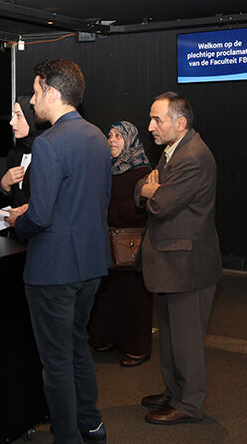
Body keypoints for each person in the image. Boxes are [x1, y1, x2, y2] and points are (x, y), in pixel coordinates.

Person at [4, 59, 112, 444]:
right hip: (92, 264)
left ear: (51, 91)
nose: (32, 102)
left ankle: (67, 437)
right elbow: (97, 201)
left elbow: (42, 215)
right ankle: (92, 426)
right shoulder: (98, 137)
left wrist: (19, 221)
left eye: (34, 92)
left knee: (57, 362)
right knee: (77, 347)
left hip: (54, 270)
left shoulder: (49, 144)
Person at [135, 91, 222, 425]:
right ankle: (174, 392)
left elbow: (160, 204)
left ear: (180, 122)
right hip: (171, 264)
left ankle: (189, 404)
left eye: (157, 119)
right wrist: (149, 188)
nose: (150, 126)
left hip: (187, 265)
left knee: (186, 341)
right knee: (171, 338)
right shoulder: (173, 151)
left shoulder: (193, 156)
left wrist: (151, 191)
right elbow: (142, 188)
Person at [87, 121, 154, 366]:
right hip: (105, 242)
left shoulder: (142, 171)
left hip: (130, 245)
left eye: (119, 136)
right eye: (110, 135)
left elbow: (141, 209)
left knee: (132, 298)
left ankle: (136, 347)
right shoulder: (107, 168)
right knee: (106, 294)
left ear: (132, 141)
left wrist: (104, 211)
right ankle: (105, 338)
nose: (112, 140)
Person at [0, 94, 45, 208]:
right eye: (13, 115)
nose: (11, 122)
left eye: (18, 116)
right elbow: (10, 201)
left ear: (32, 117)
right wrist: (4, 185)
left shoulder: (47, 154)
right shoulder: (15, 153)